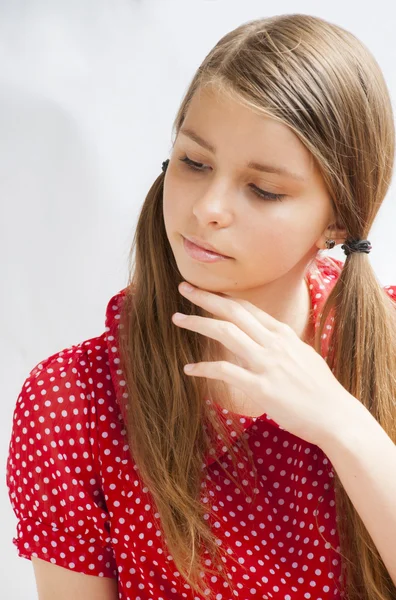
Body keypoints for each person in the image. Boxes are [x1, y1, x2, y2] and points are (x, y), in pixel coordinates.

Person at [6, 13, 396, 600]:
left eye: (263, 189)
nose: (208, 207)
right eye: (194, 162)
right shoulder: (73, 406)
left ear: (337, 220)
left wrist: (342, 426)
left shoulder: (388, 344)